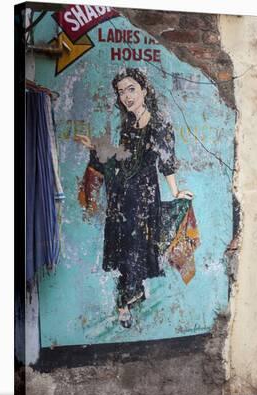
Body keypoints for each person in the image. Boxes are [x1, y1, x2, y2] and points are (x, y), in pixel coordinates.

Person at [75, 67, 193, 328]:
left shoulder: (159, 123)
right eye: (121, 92)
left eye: (131, 89)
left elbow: (166, 159)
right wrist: (95, 147)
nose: (126, 97)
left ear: (144, 90)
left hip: (143, 197)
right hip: (121, 194)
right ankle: (133, 292)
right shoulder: (127, 123)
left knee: (136, 245)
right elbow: (122, 156)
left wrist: (175, 190)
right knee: (124, 246)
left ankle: (124, 300)